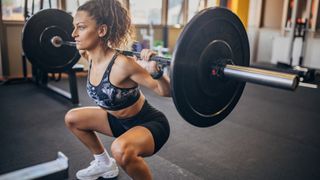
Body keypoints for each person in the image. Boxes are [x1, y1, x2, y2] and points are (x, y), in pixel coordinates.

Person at [64, 0, 171, 180]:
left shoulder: (122, 65)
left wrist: (157, 74)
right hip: (117, 122)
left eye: (80, 27)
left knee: (120, 150)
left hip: (148, 124)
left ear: (101, 30)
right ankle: (103, 164)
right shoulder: (87, 55)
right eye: (74, 27)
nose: (73, 34)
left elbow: (166, 92)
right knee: (73, 118)